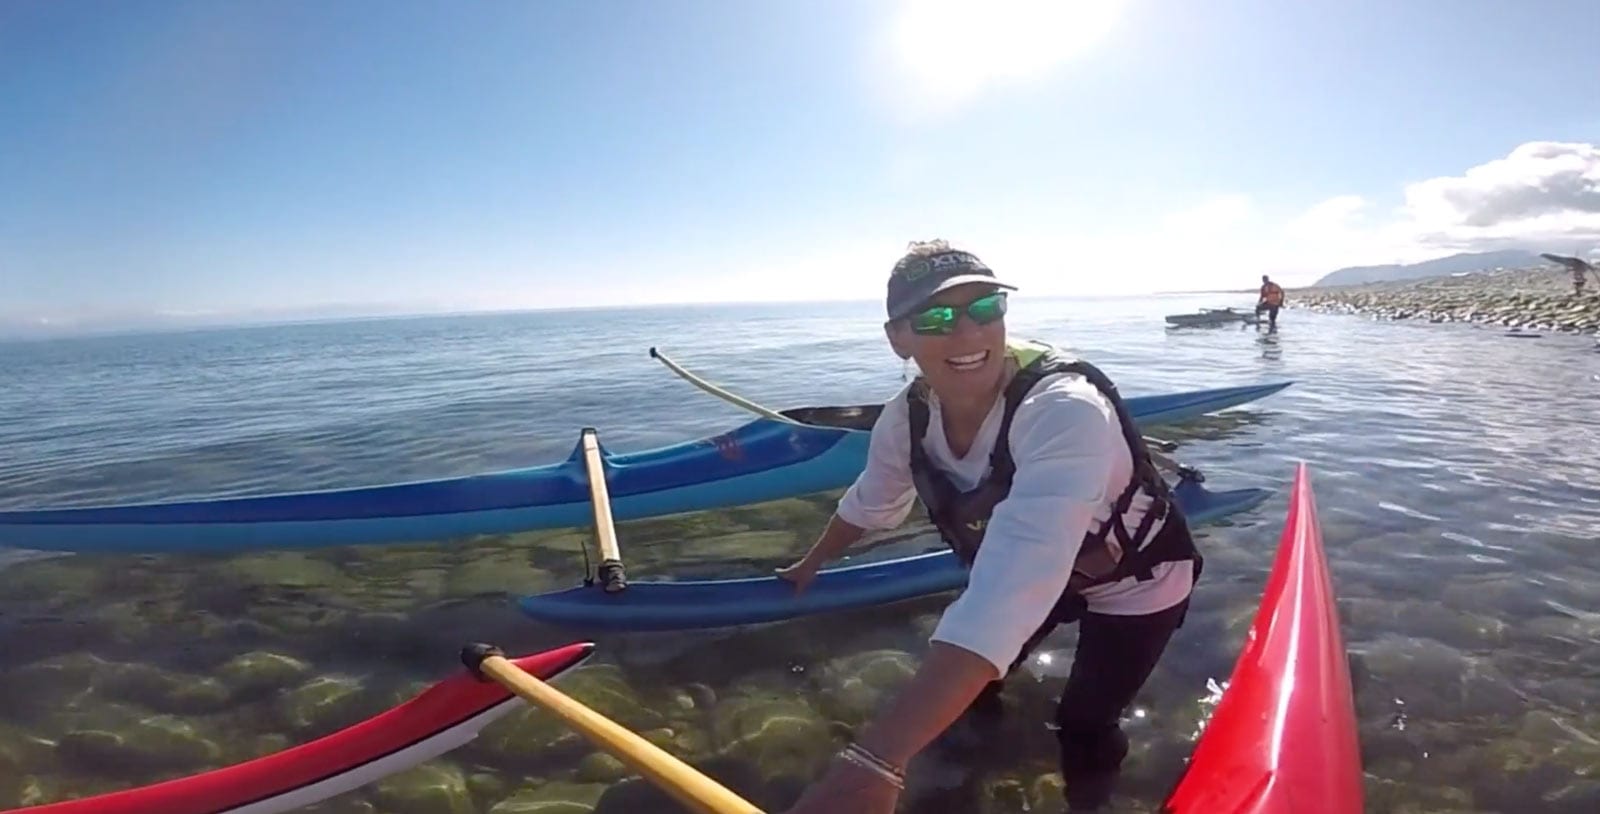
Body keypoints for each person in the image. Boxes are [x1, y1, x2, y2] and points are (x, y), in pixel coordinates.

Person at [777, 240, 1203, 813]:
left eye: (985, 309)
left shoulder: (1065, 409)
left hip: (1136, 581)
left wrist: (873, 762)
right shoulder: (906, 419)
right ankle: (969, 776)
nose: (967, 334)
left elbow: (1013, 585)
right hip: (1040, 576)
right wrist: (812, 563)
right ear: (897, 338)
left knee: (1083, 721)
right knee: (978, 692)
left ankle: (1090, 800)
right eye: (935, 318)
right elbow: (871, 504)